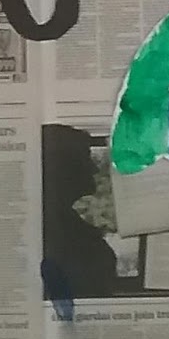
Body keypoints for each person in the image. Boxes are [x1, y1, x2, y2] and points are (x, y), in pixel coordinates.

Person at [41, 125, 119, 298]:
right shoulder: (61, 232)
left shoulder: (68, 224)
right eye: (86, 158)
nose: (94, 169)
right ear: (65, 167)